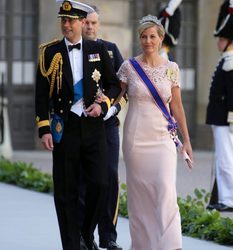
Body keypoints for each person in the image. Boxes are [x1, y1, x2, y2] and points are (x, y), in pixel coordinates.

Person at [35, 0, 121, 249]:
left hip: (93, 127)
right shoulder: (49, 52)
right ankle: (71, 244)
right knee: (66, 191)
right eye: (63, 20)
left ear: (82, 23)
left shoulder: (97, 49)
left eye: (70, 21)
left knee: (100, 183)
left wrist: (103, 105)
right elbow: (41, 96)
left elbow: (115, 84)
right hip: (65, 128)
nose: (66, 25)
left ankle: (85, 231)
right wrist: (44, 129)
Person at [117, 15, 193, 250]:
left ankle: (171, 246)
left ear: (161, 38)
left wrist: (187, 141)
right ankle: (143, 245)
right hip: (135, 138)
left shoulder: (171, 69)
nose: (148, 41)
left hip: (162, 138)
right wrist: (101, 105)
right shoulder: (129, 67)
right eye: (143, 36)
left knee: (165, 187)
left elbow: (177, 106)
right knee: (140, 198)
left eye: (152, 36)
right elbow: (116, 97)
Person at [81, 7, 126, 250]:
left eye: (94, 23)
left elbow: (121, 86)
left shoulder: (110, 49)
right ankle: (83, 235)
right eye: (86, 22)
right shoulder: (71, 50)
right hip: (81, 126)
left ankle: (108, 236)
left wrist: (111, 108)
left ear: (99, 24)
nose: (90, 27)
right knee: (84, 181)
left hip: (107, 124)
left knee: (109, 177)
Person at [206, 0, 233, 212]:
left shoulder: (232, 62)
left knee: (227, 160)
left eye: (221, 39)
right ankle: (222, 197)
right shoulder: (225, 60)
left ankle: (230, 200)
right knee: (222, 160)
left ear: (230, 41)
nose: (218, 42)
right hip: (219, 117)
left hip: (225, 119)